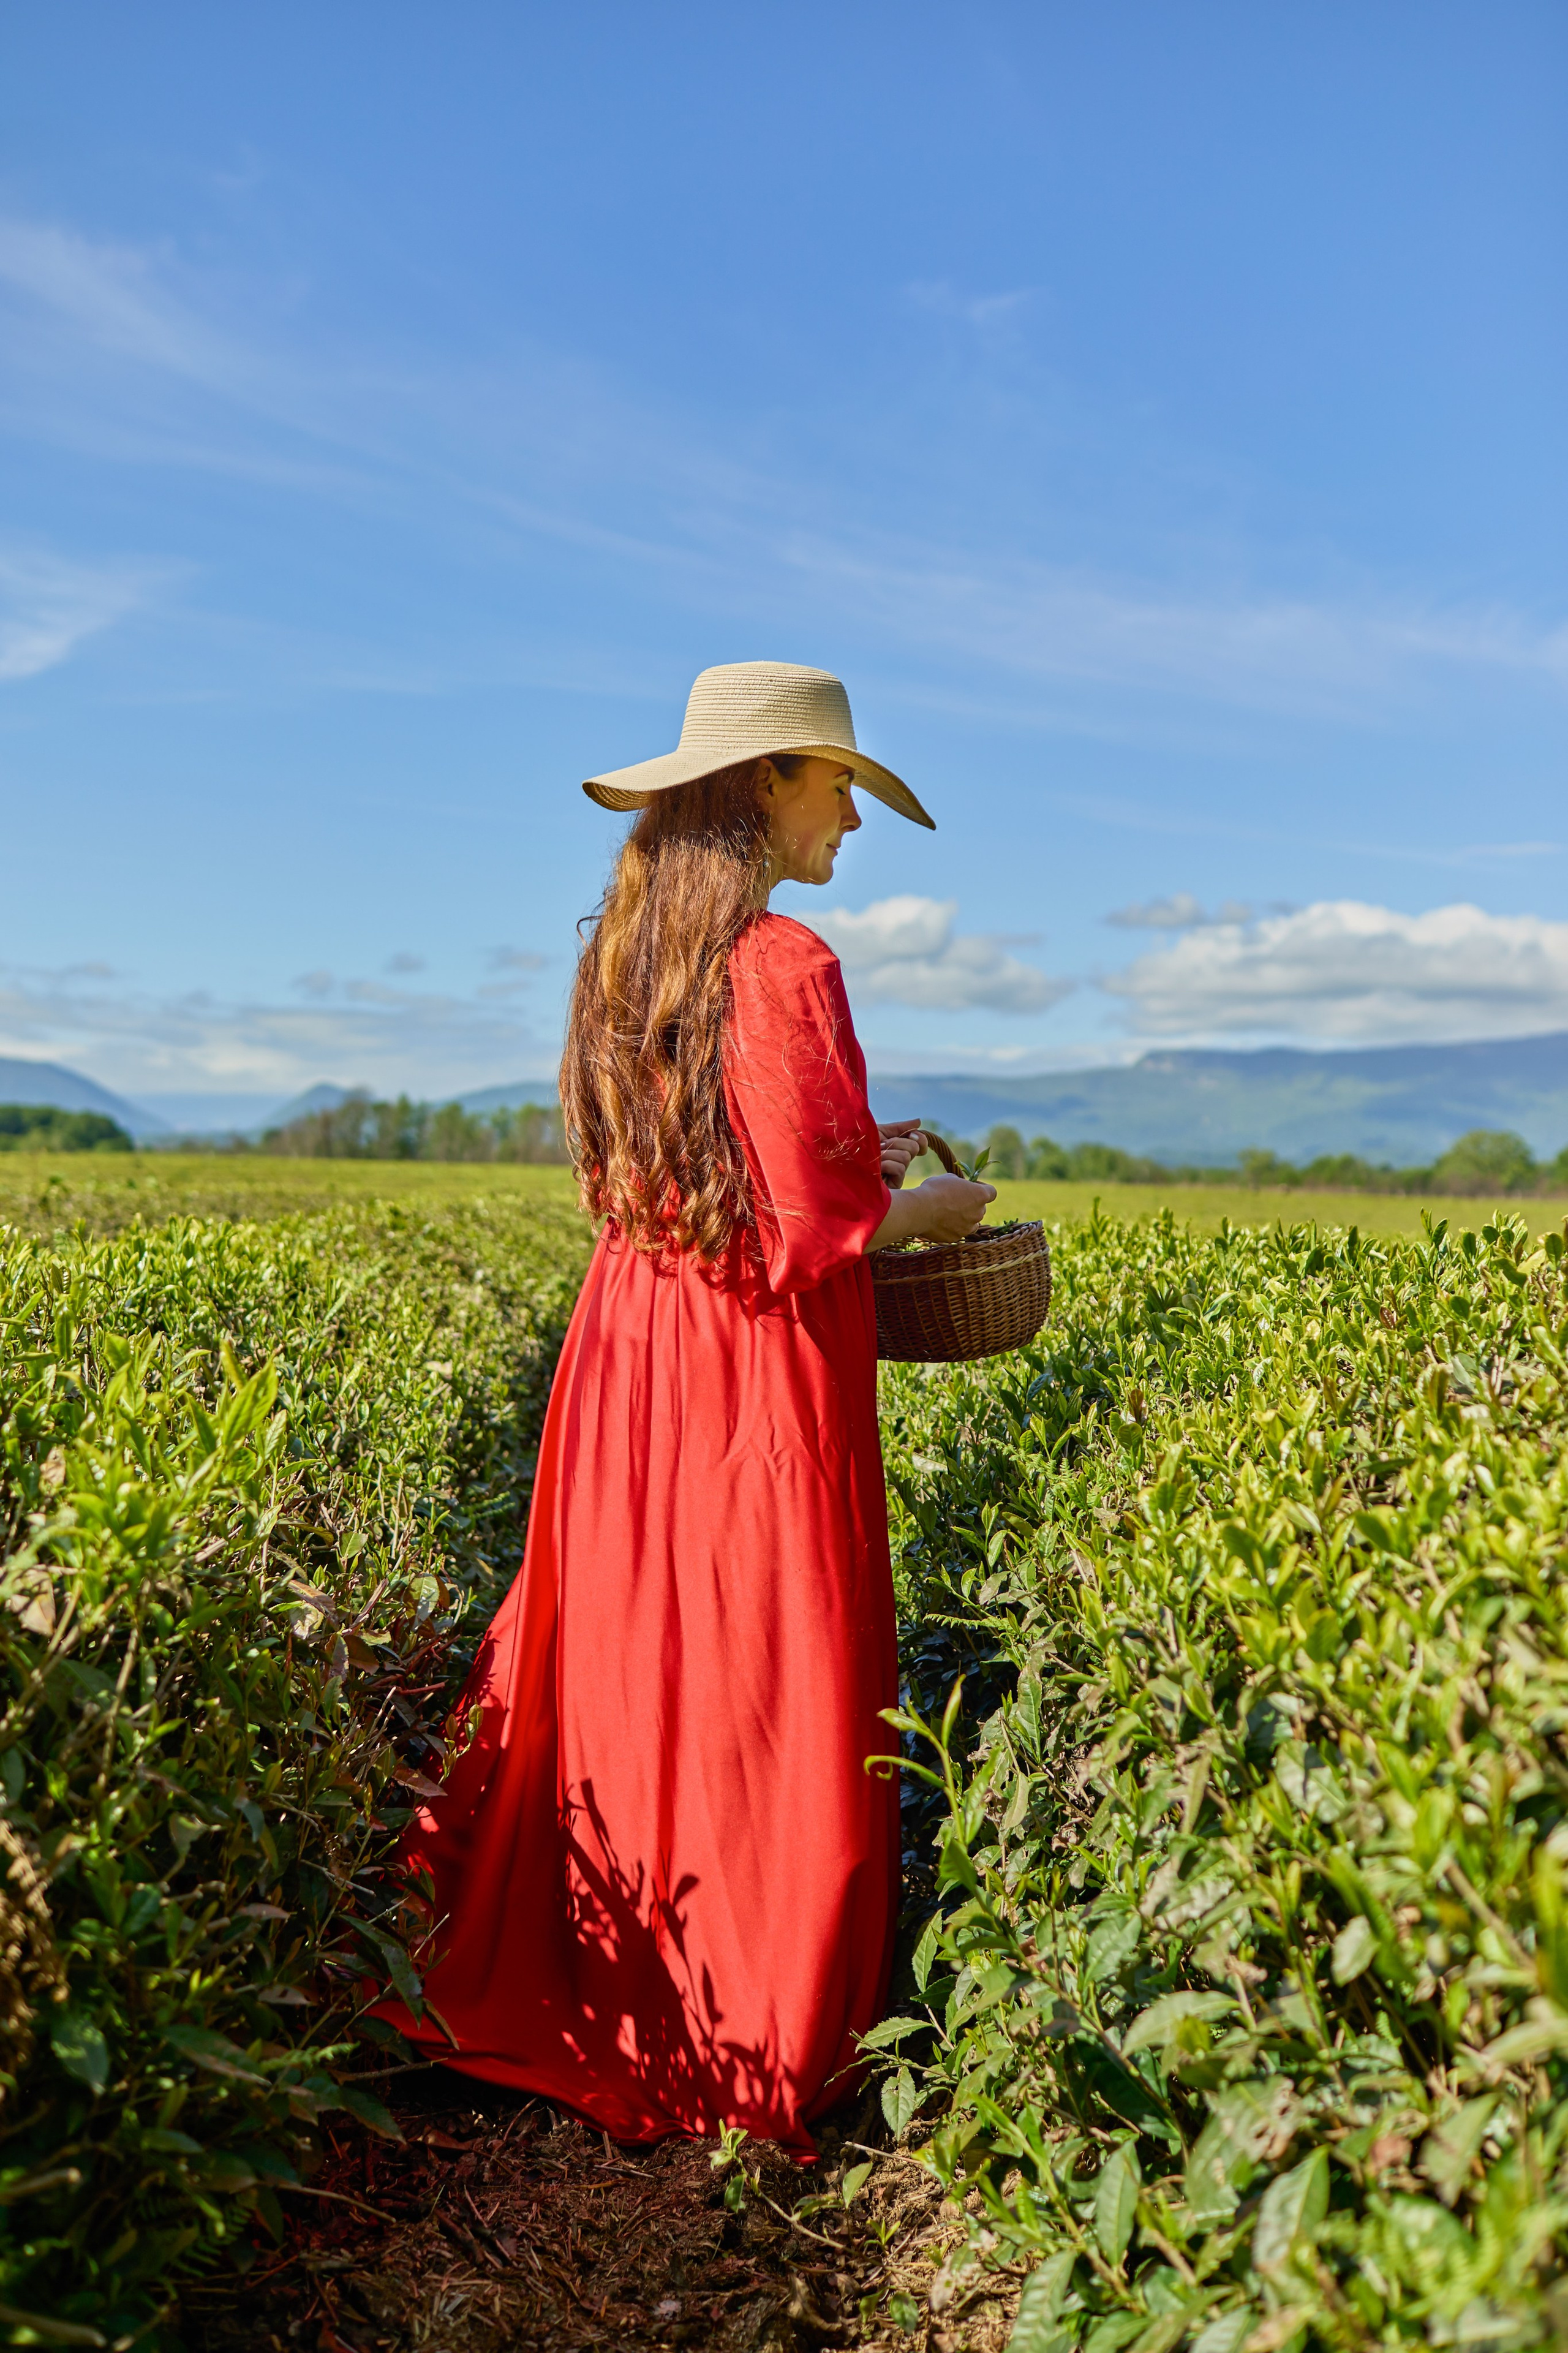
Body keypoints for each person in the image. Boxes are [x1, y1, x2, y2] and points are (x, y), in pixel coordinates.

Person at [380, 662, 996, 2153]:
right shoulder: (783, 963)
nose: (851, 814)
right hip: (745, 1367)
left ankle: (589, 1980)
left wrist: (856, 1148)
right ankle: (747, 2034)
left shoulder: (629, 960)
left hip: (634, 1340)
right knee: (759, 1666)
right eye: (836, 783)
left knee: (630, 1644)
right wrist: (930, 1208)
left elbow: (716, 1166)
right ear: (765, 783)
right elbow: (802, 1230)